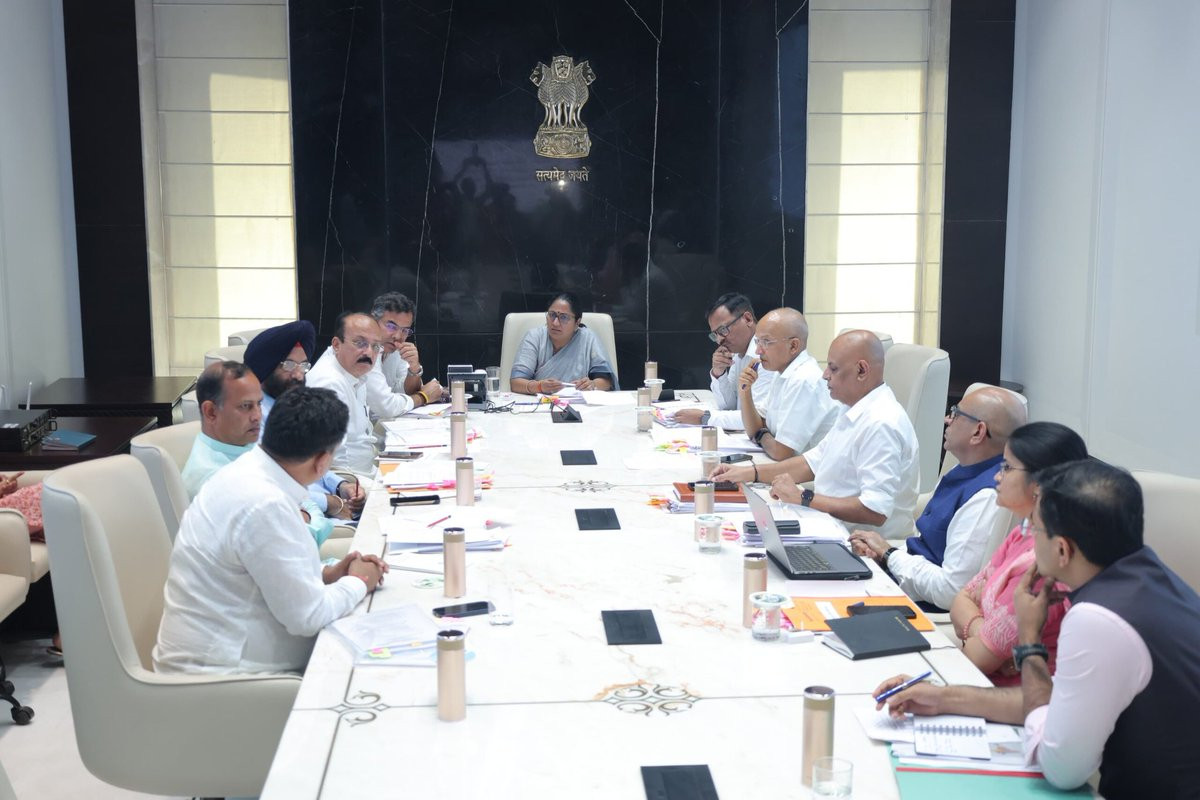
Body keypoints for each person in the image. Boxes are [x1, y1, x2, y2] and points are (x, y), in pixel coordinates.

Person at [875, 460, 1200, 798]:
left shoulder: (1097, 618)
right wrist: (944, 698)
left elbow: (1061, 768)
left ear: (1062, 549)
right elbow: (1059, 702)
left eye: (1035, 526)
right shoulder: (1147, 574)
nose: (1027, 535)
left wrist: (1029, 643)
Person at [154, 387, 387, 675]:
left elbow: (265, 567)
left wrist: (328, 574)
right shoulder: (265, 504)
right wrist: (359, 581)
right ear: (322, 462)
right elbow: (308, 617)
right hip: (222, 676)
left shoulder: (250, 469)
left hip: (225, 649)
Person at [711, 330, 919, 540]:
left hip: (859, 545)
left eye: (833, 368)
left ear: (861, 370)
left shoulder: (881, 423)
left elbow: (875, 511)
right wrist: (747, 473)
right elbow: (811, 463)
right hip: (827, 525)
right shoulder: (852, 407)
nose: (825, 375)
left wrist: (803, 498)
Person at [848, 387, 1027, 610]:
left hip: (920, 607)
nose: (947, 419)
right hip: (903, 581)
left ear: (978, 432)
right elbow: (924, 548)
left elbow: (950, 590)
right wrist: (881, 555)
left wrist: (889, 554)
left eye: (956, 413)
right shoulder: (966, 469)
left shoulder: (987, 496)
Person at [946, 421, 1087, 684]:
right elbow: (961, 599)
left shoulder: (1044, 563)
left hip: (1015, 696)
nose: (997, 476)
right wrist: (984, 632)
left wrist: (983, 638)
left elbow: (977, 659)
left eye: (1007, 468)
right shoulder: (1025, 531)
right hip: (985, 678)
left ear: (1040, 484)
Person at [244, 320, 365, 519]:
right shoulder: (253, 418)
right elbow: (272, 483)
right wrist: (329, 502)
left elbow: (310, 460)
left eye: (303, 365)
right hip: (299, 514)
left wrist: (341, 486)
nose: (299, 375)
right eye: (289, 365)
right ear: (266, 368)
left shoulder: (291, 404)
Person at [734, 307, 841, 460]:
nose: (758, 351)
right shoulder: (782, 372)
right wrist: (745, 392)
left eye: (766, 342)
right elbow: (756, 428)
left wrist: (761, 435)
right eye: (757, 341)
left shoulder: (804, 379)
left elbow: (781, 452)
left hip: (811, 473)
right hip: (786, 465)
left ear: (793, 346)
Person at [673, 293, 777, 429]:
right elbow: (729, 407)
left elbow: (757, 418)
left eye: (723, 330)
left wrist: (705, 418)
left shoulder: (766, 355)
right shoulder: (739, 354)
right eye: (715, 334)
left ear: (748, 319)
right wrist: (719, 373)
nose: (719, 340)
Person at [304, 312, 385, 474]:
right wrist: (358, 485)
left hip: (367, 471)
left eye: (375, 346)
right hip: (352, 481)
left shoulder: (355, 372)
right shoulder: (328, 383)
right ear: (336, 344)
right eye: (360, 343)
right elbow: (334, 465)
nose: (369, 353)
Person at [180, 361, 261, 498]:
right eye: (246, 406)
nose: (257, 416)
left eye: (259, 404)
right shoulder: (215, 481)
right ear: (211, 412)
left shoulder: (242, 445)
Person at [510, 293, 617, 394]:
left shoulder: (588, 339)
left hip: (579, 403)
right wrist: (539, 386)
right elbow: (516, 382)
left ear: (577, 322)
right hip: (539, 402)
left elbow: (606, 382)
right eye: (552, 315)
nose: (555, 323)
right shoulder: (534, 337)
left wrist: (592, 385)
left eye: (564, 317)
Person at [366, 291, 444, 418]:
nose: (398, 336)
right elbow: (386, 407)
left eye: (405, 330)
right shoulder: (364, 350)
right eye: (391, 326)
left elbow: (405, 392)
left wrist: (414, 369)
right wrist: (423, 397)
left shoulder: (394, 349)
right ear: (373, 321)